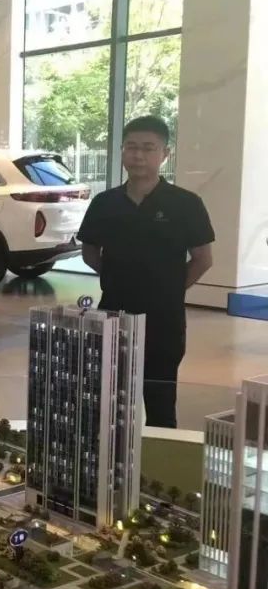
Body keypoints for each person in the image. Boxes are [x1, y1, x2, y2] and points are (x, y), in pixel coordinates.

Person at [78, 116, 214, 428]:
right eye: (131, 147)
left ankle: (158, 457)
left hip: (164, 319)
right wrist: (118, 278)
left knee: (161, 404)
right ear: (122, 151)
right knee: (111, 404)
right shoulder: (105, 203)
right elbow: (89, 251)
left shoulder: (186, 204)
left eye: (148, 148)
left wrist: (170, 288)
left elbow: (202, 259)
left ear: (165, 153)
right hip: (114, 314)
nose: (138, 155)